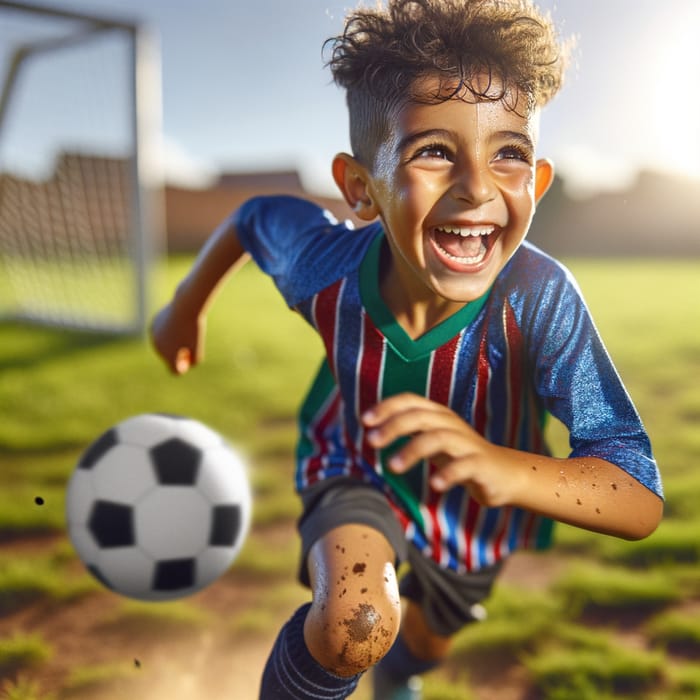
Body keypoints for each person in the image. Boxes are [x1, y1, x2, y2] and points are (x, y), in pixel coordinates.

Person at [151, 1, 664, 698]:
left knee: (418, 646)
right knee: (354, 622)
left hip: (474, 519)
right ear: (361, 189)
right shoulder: (323, 266)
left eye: (508, 153)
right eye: (433, 151)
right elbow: (254, 218)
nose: (478, 188)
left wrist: (502, 468)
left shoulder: (539, 299)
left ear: (536, 184)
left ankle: (399, 678)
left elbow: (635, 494)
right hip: (354, 466)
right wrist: (183, 310)